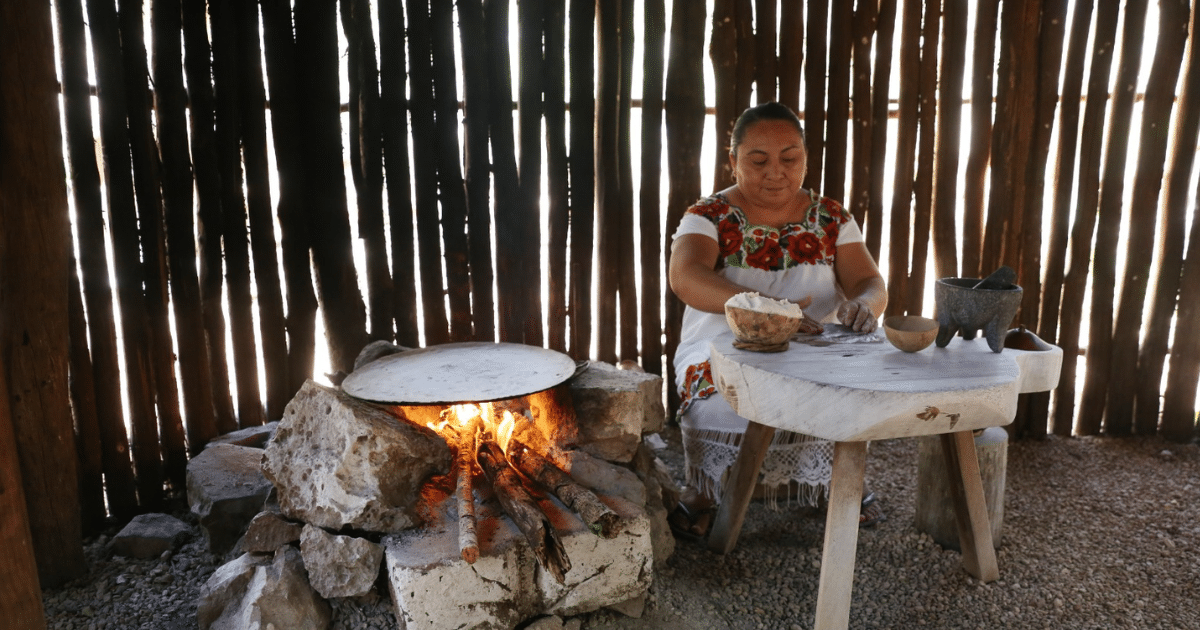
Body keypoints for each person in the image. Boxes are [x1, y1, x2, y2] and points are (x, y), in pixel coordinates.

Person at [667, 102, 888, 538]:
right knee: (723, 404)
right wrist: (762, 306)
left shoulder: (831, 218)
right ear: (733, 161)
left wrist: (866, 303)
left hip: (815, 349)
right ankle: (706, 487)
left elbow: (869, 281)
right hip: (722, 349)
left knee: (846, 396)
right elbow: (685, 276)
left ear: (805, 157)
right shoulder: (708, 216)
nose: (776, 172)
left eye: (789, 158)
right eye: (758, 160)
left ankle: (834, 480)